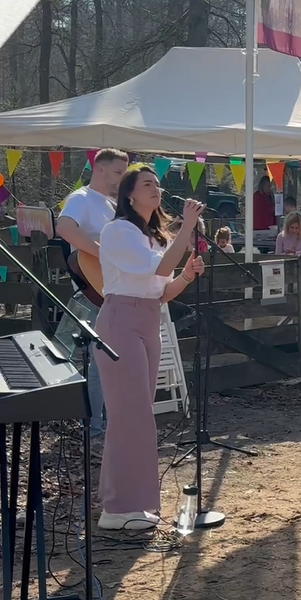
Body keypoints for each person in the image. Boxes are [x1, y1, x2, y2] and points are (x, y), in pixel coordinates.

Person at [94, 168, 206, 531]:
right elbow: (159, 267)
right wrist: (187, 228)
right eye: (147, 185)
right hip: (120, 320)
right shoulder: (118, 231)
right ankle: (116, 507)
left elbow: (161, 290)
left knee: (141, 414)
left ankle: (136, 504)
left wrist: (186, 276)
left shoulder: (154, 237)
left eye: (157, 184)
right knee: (130, 414)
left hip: (148, 321)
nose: (156, 189)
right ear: (129, 196)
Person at [53, 148, 129, 450]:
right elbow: (64, 228)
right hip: (94, 291)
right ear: (99, 170)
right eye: (118, 173)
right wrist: (102, 252)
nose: (121, 180)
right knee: (99, 361)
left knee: (112, 361)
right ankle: (96, 430)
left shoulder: (114, 204)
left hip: (115, 289)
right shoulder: (82, 199)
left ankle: (110, 425)